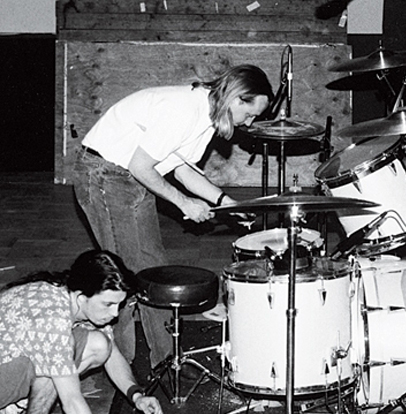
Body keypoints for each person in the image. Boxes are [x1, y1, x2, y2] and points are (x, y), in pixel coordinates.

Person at [73, 64, 273, 369]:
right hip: (105, 174)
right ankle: (121, 364)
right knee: (122, 273)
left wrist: (227, 203)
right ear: (236, 98)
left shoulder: (207, 114)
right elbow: (141, 167)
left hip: (128, 177)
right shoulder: (184, 110)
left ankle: (166, 361)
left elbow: (182, 170)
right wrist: (184, 203)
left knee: (152, 268)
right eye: (249, 114)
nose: (250, 122)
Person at [0, 250, 163, 414]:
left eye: (119, 304)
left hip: (1, 365)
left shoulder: (69, 293)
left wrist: (136, 395)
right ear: (82, 297)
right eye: (108, 304)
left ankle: (10, 407)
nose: (115, 313)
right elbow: (72, 402)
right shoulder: (52, 321)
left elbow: (111, 352)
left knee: (99, 345)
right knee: (60, 359)